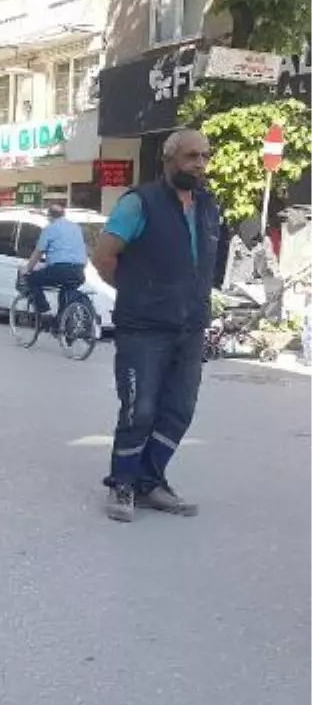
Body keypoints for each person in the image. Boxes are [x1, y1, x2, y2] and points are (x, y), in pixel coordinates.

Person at [91, 128, 219, 522]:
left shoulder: (208, 206)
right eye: (191, 156)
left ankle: (151, 481)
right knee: (140, 409)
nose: (199, 164)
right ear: (168, 160)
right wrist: (141, 295)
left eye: (204, 157)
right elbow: (104, 257)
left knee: (179, 409)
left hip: (190, 328)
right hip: (144, 329)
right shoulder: (139, 203)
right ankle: (124, 483)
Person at [18, 204, 88, 321]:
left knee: (32, 279)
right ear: (64, 215)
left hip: (60, 271)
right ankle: (62, 324)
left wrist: (28, 269)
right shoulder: (76, 228)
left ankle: (45, 311)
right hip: (79, 271)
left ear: (49, 216)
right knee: (65, 291)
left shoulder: (49, 229)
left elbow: (38, 252)